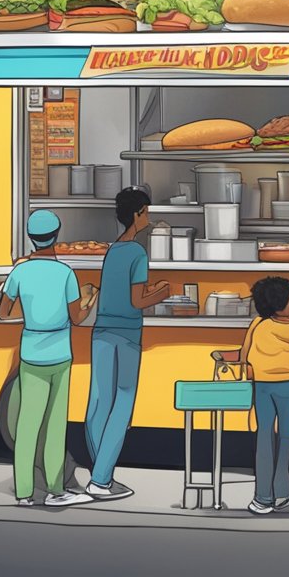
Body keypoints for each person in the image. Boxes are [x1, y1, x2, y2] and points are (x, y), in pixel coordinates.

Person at [0, 210, 97, 508]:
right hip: (59, 354)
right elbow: (77, 317)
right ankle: (55, 490)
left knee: (28, 424)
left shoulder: (19, 272)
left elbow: (4, 312)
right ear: (56, 237)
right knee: (55, 426)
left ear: (31, 238)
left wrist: (30, 315)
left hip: (31, 352)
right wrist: (90, 298)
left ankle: (24, 492)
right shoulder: (65, 273)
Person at [85, 188, 169, 502]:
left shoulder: (113, 251)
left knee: (98, 405)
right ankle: (101, 480)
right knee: (122, 405)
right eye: (146, 212)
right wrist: (162, 292)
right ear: (137, 214)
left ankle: (100, 472)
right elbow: (137, 301)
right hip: (127, 335)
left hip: (102, 332)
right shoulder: (137, 253)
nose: (147, 217)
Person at [241, 276, 289, 515]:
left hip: (262, 385)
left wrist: (249, 369)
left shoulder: (257, 323)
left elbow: (245, 352)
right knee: (285, 439)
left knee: (264, 437)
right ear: (280, 302)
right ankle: (282, 493)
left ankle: (262, 497)